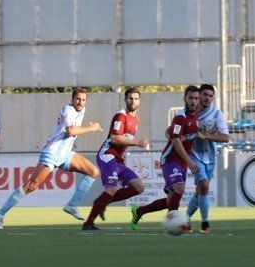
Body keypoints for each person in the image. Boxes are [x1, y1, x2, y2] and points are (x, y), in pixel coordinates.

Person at [0, 88, 101, 228]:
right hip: (53, 153)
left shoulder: (82, 110)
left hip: (66, 154)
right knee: (31, 185)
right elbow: (71, 131)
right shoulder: (68, 110)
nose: (80, 102)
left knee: (93, 171)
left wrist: (89, 127)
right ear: (72, 99)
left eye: (83, 100)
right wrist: (91, 128)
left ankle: (72, 205)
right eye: (78, 99)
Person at [130, 86, 201, 229]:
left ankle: (139, 211)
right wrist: (189, 161)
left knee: (171, 200)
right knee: (180, 189)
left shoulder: (197, 117)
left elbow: (171, 132)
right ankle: (174, 224)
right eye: (190, 98)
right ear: (185, 99)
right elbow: (175, 139)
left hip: (182, 163)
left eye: (196, 98)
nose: (193, 101)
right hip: (170, 159)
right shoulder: (181, 117)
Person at [82, 88, 150, 230]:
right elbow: (114, 138)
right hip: (107, 155)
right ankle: (89, 223)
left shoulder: (136, 120)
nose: (133, 101)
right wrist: (137, 143)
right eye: (130, 98)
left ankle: (101, 202)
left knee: (139, 187)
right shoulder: (121, 116)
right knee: (111, 189)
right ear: (125, 100)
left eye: (136, 98)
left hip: (118, 160)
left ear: (140, 101)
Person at [186, 84, 230, 233]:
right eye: (205, 95)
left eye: (211, 96)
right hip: (194, 155)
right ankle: (205, 223)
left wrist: (206, 136)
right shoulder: (188, 113)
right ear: (199, 96)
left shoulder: (217, 114)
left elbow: (225, 137)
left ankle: (185, 219)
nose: (207, 98)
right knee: (204, 185)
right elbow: (171, 131)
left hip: (210, 157)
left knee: (200, 190)